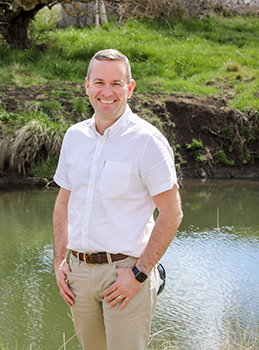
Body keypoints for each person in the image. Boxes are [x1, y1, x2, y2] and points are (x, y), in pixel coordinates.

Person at [52, 49, 183, 350]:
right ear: (87, 85)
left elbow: (172, 213)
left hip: (124, 274)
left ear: (130, 88)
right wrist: (60, 260)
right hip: (79, 275)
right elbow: (62, 204)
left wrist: (139, 273)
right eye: (99, 82)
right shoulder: (74, 137)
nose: (106, 92)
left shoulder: (147, 142)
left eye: (116, 83)